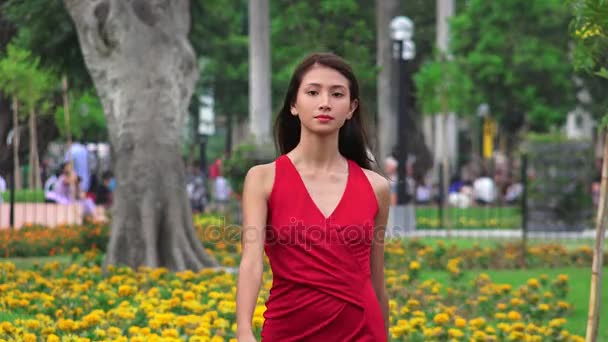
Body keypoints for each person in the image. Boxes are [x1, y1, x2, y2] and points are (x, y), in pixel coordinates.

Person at [236, 52, 389, 341]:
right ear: (294, 104)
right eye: (313, 92)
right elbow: (251, 262)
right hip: (288, 330)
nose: (325, 103)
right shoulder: (262, 179)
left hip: (363, 331)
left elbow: (377, 281)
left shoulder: (376, 187)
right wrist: (244, 328)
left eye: (337, 94)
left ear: (351, 108)